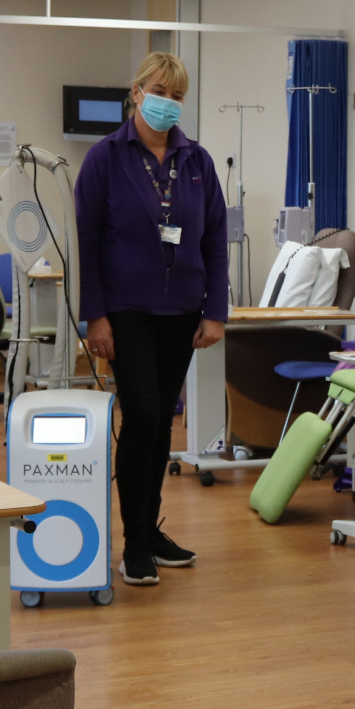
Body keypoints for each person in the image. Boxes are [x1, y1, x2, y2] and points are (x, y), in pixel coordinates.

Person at [75, 52, 227, 587]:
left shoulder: (197, 162)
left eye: (178, 95)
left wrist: (215, 310)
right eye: (160, 90)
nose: (169, 102)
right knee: (141, 415)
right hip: (126, 309)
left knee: (162, 420)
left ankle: (149, 527)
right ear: (137, 92)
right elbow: (87, 242)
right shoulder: (106, 158)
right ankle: (134, 541)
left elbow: (214, 240)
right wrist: (94, 316)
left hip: (181, 310)